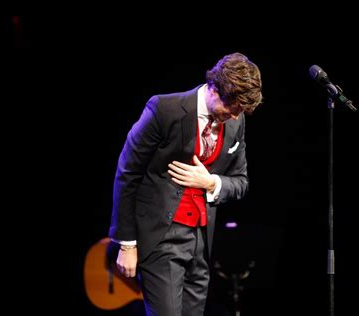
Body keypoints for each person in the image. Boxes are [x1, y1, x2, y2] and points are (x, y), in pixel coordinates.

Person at [108, 52, 262, 316]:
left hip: (201, 243)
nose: (236, 118)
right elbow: (128, 172)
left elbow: (241, 182)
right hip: (161, 238)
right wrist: (127, 244)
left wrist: (211, 182)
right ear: (215, 89)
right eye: (233, 109)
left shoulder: (236, 123)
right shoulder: (164, 109)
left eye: (241, 113)